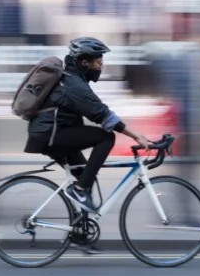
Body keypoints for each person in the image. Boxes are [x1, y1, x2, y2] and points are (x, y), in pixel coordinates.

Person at [24, 37, 152, 214]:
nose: (102, 65)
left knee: (85, 176)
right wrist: (136, 136)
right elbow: (102, 115)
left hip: (52, 133)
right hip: (49, 135)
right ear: (85, 62)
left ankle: (81, 234)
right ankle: (80, 191)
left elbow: (97, 112)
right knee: (106, 137)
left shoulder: (73, 80)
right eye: (99, 61)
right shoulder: (73, 85)